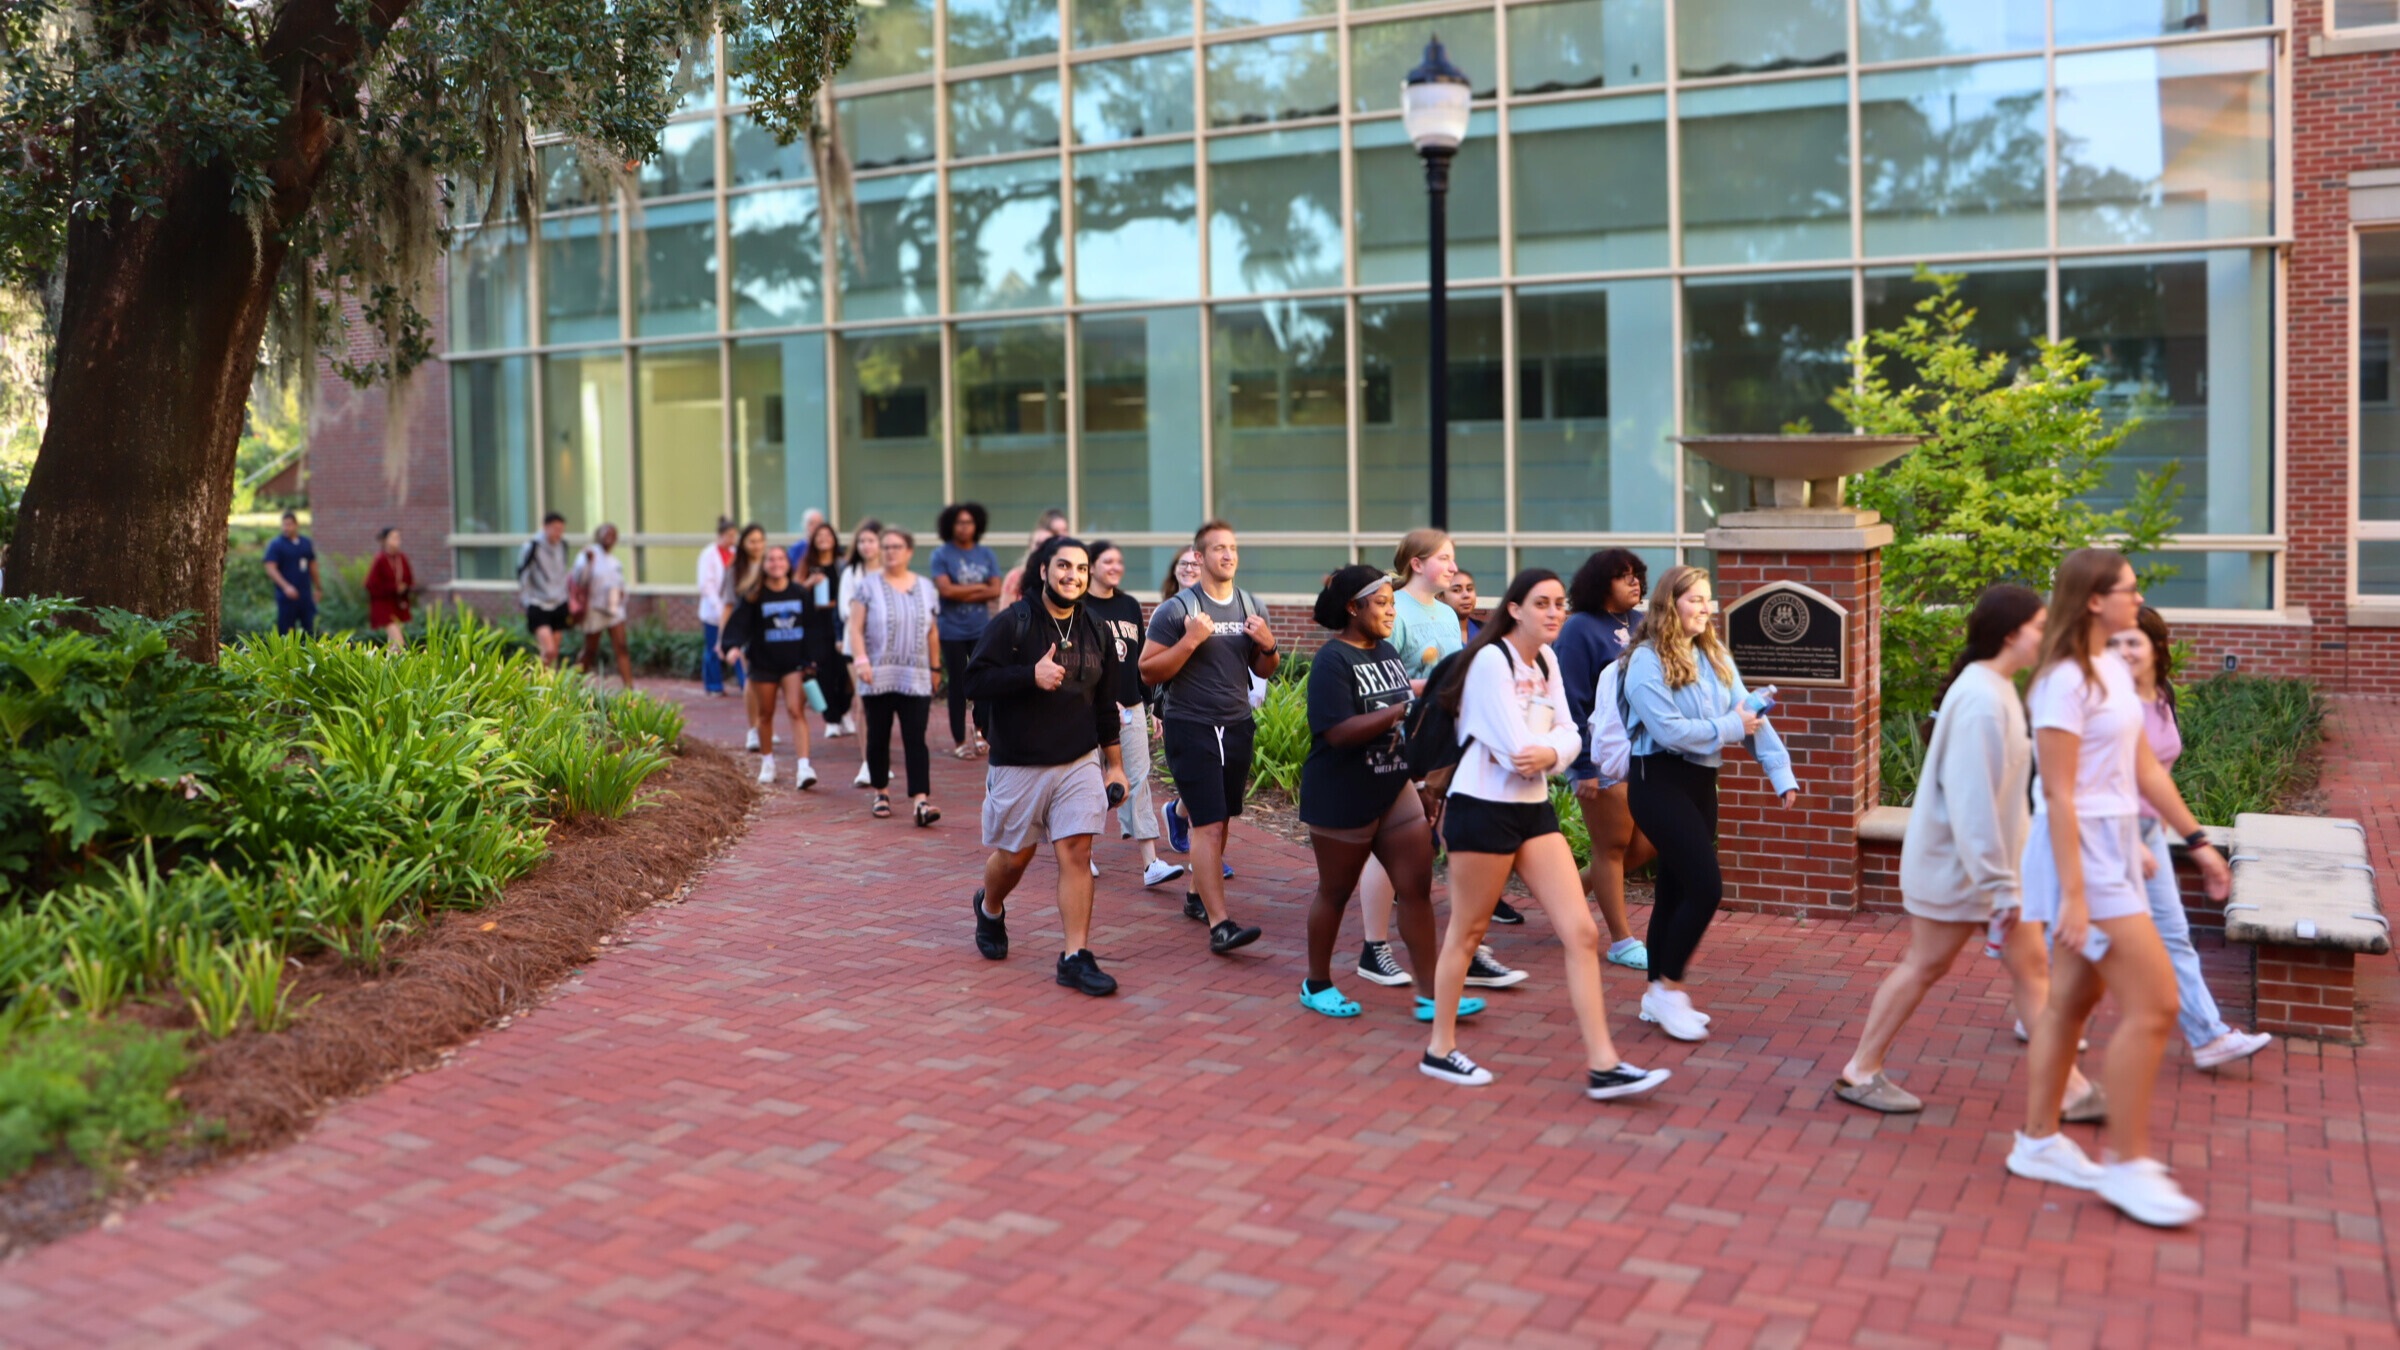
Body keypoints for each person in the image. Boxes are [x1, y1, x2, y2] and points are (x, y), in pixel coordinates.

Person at [2009, 550, 2233, 1227]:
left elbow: (2142, 770)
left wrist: (2198, 842)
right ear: (2092, 600)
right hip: (2082, 858)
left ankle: (2037, 1142)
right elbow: (2057, 793)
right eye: (2129, 590)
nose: (2139, 599)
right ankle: (2127, 1165)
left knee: (2071, 1004)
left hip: (2113, 850)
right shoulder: (2061, 682)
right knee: (2157, 1005)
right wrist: (2076, 896)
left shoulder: (2111, 667)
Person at [1833, 586, 2098, 1117]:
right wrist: (2000, 884)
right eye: (2040, 626)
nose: (2047, 635)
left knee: (2032, 971)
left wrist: (2006, 878)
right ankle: (1860, 1070)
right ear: (2011, 634)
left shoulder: (1995, 687)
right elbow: (1973, 803)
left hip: (1992, 872)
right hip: (1962, 873)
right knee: (1925, 966)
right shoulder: (1981, 699)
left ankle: (2071, 1090)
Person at [1418, 568, 1669, 1103]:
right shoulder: (1491, 661)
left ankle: (1603, 1064)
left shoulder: (1548, 660)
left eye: (1559, 603)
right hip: (1481, 808)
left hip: (1532, 810)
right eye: (1542, 603)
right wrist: (1553, 749)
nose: (1555, 612)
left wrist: (1552, 750)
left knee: (1581, 933)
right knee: (1467, 932)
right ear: (1514, 609)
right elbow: (1517, 750)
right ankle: (1440, 1048)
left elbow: (1571, 734)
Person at [1299, 566, 1492, 1027]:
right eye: (1382, 603)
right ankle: (1316, 983)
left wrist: (1421, 783)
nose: (1391, 611)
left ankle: (1431, 993)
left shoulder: (1386, 651)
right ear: (1353, 607)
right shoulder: (1332, 660)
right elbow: (1337, 732)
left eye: (1392, 602)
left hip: (1394, 786)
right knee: (1334, 893)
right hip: (1342, 796)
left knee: (1416, 889)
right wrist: (1400, 709)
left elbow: (1405, 729)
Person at [1621, 565, 1800, 1042]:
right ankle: (1670, 990)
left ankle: (1653, 993)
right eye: (1695, 599)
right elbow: (1670, 731)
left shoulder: (1714, 653)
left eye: (1707, 598)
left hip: (1701, 782)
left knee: (1675, 890)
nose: (1705, 607)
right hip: (1657, 780)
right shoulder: (1645, 660)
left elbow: (1749, 711)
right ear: (1670, 604)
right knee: (1706, 887)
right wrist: (1733, 725)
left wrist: (1779, 772)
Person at [962, 537, 1133, 997]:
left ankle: (1075, 957)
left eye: (1080, 568)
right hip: (1020, 761)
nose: (1072, 576)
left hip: (1078, 760)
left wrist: (1115, 766)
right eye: (1063, 566)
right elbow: (973, 680)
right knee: (1015, 857)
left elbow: (1105, 706)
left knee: (1077, 851)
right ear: (1044, 570)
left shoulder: (1097, 629)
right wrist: (1028, 676)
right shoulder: (1013, 622)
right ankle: (990, 906)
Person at [1355, 531, 1525, 991]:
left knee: (1462, 841)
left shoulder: (1448, 614)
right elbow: (1380, 681)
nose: (1453, 567)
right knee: (1394, 843)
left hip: (1453, 741)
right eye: (1445, 558)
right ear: (1416, 563)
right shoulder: (1394, 609)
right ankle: (1374, 948)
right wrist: (1431, 687)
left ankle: (1469, 949)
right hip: (1407, 744)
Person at [2107, 607, 2273, 1072]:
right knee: (2089, 943)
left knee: (2172, 936)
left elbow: (2157, 774)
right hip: (2108, 834)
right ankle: (2039, 1009)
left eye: (2133, 642)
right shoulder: (2110, 704)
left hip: (2147, 833)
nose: (2123, 652)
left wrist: (2188, 839)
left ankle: (2209, 1037)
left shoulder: (2161, 694)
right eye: (2113, 643)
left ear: (2157, 646)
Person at [1138, 521, 1269, 955]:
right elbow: (1148, 670)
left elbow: (1264, 669)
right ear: (1199, 556)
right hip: (1191, 725)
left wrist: (1268, 646)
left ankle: (1197, 897)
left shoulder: (1250, 604)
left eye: (1232, 548)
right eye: (1218, 549)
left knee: (1222, 818)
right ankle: (1220, 925)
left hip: (1236, 723)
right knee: (1208, 824)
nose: (1228, 555)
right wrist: (1191, 641)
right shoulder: (1176, 610)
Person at [1558, 550, 1654, 972]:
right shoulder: (1579, 628)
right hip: (1600, 755)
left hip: (1643, 755)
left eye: (1636, 575)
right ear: (1600, 583)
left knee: (1645, 845)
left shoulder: (1640, 622)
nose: (1634, 583)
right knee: (1611, 846)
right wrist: (1583, 766)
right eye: (1622, 576)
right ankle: (1622, 940)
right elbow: (1571, 700)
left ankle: (1564, 900)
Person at [1083, 540, 1187, 889]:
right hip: (1091, 709)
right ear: (1091, 566)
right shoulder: (1080, 607)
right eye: (1107, 561)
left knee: (1140, 780)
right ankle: (1082, 852)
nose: (1116, 567)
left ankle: (1150, 863)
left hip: (1131, 707)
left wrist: (1150, 704)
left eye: (1119, 561)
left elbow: (1140, 658)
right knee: (1090, 783)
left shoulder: (1128, 605)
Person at [848, 526, 944, 827]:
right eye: (886, 547)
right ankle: (881, 791)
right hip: (877, 674)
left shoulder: (926, 587)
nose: (890, 552)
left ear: (909, 551)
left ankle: (921, 800)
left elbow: (932, 632)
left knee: (916, 737)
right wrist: (861, 661)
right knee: (878, 735)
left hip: (915, 676)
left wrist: (935, 668)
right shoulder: (868, 586)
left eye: (897, 546)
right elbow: (855, 628)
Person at [719, 545, 817, 789]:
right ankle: (768, 762)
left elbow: (812, 628)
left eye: (780, 558)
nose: (776, 563)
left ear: (788, 563)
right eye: (770, 559)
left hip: (793, 664)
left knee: (796, 710)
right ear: (763, 565)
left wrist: (812, 659)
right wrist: (732, 646)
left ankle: (804, 767)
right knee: (765, 714)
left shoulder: (800, 593)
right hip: (763, 664)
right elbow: (739, 624)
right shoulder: (754, 595)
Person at [930, 502, 1002, 759]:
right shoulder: (941, 555)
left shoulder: (986, 554)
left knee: (983, 681)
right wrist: (980, 588)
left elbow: (996, 589)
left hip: (980, 629)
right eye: (959, 522)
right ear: (950, 525)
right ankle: (959, 739)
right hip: (952, 631)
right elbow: (945, 590)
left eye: (969, 522)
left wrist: (960, 591)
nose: (964, 527)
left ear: (977, 525)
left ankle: (982, 731)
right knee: (958, 685)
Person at [1154, 546, 1203, 858]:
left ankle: (1178, 812)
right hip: (1179, 704)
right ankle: (1208, 860)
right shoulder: (1167, 611)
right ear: (1174, 570)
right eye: (1183, 564)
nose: (1189, 568)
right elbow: (1153, 665)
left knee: (1211, 777)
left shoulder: (1220, 606)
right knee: (1200, 777)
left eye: (1195, 564)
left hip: (1215, 703)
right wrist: (1156, 708)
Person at [795, 521, 853, 740]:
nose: (823, 540)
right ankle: (831, 719)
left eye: (827, 535)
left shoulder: (842, 563)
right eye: (819, 536)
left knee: (845, 671)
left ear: (834, 539)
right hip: (816, 625)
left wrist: (834, 604)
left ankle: (844, 710)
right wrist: (810, 582)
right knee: (823, 672)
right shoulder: (807, 564)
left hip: (840, 622)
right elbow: (794, 590)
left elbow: (851, 591)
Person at [838, 520, 883, 779]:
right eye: (862, 541)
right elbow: (846, 610)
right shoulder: (850, 573)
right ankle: (868, 763)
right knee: (864, 703)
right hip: (855, 646)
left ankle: (881, 759)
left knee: (884, 706)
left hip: (885, 646)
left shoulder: (890, 572)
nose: (866, 546)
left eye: (871, 541)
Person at [574, 523, 635, 689]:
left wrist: (622, 593)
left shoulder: (615, 561)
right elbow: (580, 580)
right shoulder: (588, 554)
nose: (610, 537)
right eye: (606, 533)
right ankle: (574, 684)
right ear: (598, 535)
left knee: (622, 646)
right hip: (595, 608)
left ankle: (629, 689)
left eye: (613, 534)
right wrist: (588, 563)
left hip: (614, 608)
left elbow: (620, 583)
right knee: (590, 649)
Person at [725, 524, 770, 750]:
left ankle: (765, 724)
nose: (757, 545)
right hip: (746, 632)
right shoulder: (735, 569)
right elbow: (729, 605)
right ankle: (753, 729)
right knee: (752, 679)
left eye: (760, 540)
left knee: (769, 683)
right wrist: (724, 640)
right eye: (752, 541)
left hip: (771, 629)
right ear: (743, 543)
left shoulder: (772, 564)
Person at [517, 512, 572, 667]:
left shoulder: (562, 546)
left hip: (559, 602)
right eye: (555, 529)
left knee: (554, 652)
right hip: (538, 602)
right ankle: (537, 678)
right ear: (545, 527)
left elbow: (562, 573)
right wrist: (526, 600)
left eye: (561, 530)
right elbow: (523, 575)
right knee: (549, 650)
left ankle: (547, 679)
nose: (558, 533)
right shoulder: (532, 547)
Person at [696, 518, 742, 697]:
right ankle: (714, 685)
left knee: (738, 647)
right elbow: (706, 584)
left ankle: (745, 683)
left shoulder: (735, 553)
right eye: (729, 535)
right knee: (714, 648)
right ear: (720, 535)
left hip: (733, 609)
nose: (732, 539)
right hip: (714, 611)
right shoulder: (709, 554)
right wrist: (719, 606)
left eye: (734, 535)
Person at [997, 508, 1071, 608]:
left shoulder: (1066, 576)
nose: (1062, 536)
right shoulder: (1016, 577)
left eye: (1065, 530)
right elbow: (1004, 613)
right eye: (1056, 532)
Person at [263, 511, 318, 636]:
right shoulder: (276, 545)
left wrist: (318, 587)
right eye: (284, 525)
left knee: (310, 631)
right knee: (286, 633)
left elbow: (312, 565)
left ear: (296, 525)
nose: (286, 528)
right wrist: (286, 587)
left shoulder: (305, 543)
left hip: (305, 594)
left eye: (289, 524)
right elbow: (270, 568)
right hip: (286, 597)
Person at [364, 527, 415, 652]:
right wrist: (393, 588)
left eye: (398, 537)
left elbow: (409, 579)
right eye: (393, 537)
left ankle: (389, 663)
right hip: (384, 606)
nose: (396, 540)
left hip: (398, 605)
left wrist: (404, 587)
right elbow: (371, 585)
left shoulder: (401, 558)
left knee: (392, 644)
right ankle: (397, 662)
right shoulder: (380, 559)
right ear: (385, 540)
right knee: (399, 643)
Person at [1447, 569, 1481, 643]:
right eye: (1456, 590)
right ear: (1439, 596)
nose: (1466, 595)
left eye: (1469, 589)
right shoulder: (1431, 634)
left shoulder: (1487, 632)